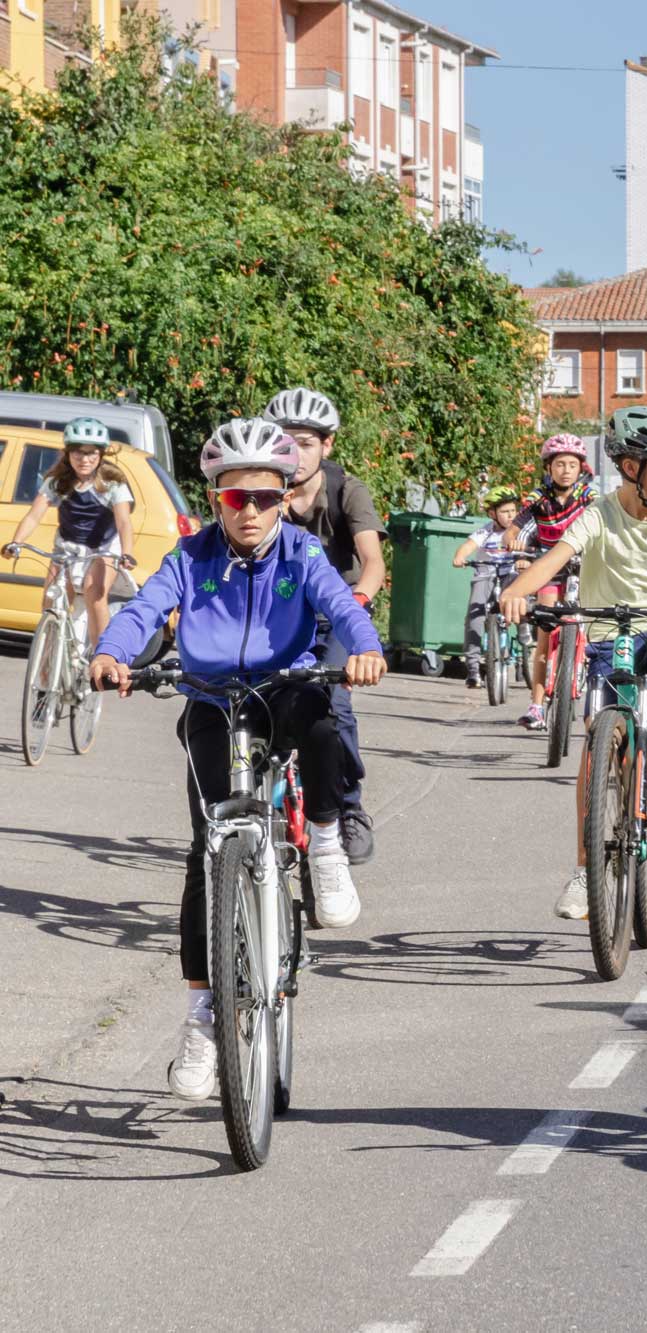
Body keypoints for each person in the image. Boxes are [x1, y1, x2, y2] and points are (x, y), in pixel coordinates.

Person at [90, 418, 386, 1100]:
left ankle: (325, 842)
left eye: (264, 497)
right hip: (211, 698)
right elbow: (144, 612)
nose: (249, 511)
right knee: (204, 853)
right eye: (234, 498)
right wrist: (111, 651)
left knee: (321, 712)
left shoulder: (305, 555)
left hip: (284, 690)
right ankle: (202, 1014)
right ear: (215, 499)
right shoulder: (189, 559)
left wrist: (364, 648)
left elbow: (343, 607)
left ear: (286, 497)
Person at [501, 407, 647, 920]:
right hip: (607, 635)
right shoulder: (598, 513)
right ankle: (584, 872)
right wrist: (516, 590)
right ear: (630, 467)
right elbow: (555, 558)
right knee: (598, 753)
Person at [265, 387, 385, 866]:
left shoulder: (345, 490)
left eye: (307, 443)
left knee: (333, 699)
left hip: (338, 611)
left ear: (327, 445)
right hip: (278, 611)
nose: (295, 453)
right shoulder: (261, 489)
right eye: (285, 441)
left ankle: (349, 807)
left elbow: (373, 562)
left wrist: (352, 607)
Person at [4, 416, 138, 648]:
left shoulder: (112, 483)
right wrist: (16, 542)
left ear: (101, 454)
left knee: (93, 592)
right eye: (77, 452)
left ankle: (101, 658)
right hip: (67, 547)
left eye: (91, 453)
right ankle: (48, 663)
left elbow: (124, 522)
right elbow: (34, 515)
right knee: (51, 598)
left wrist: (127, 554)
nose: (84, 459)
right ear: (67, 453)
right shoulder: (59, 481)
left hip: (103, 548)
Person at [508, 434, 599, 731]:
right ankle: (536, 705)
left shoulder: (587, 496)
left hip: (583, 569)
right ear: (549, 468)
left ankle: (585, 667)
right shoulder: (540, 498)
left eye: (572, 464)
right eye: (560, 464)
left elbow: (604, 514)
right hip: (550, 570)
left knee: (597, 626)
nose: (566, 470)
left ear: (581, 468)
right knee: (544, 636)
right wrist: (511, 539)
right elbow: (518, 525)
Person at [451, 486, 523, 692]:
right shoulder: (486, 531)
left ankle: (523, 639)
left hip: (510, 573)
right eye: (504, 512)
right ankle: (473, 669)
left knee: (521, 602)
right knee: (475, 617)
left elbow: (530, 546)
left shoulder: (519, 531)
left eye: (513, 511)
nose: (510, 516)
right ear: (492, 514)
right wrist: (460, 557)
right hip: (486, 575)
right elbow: (468, 546)